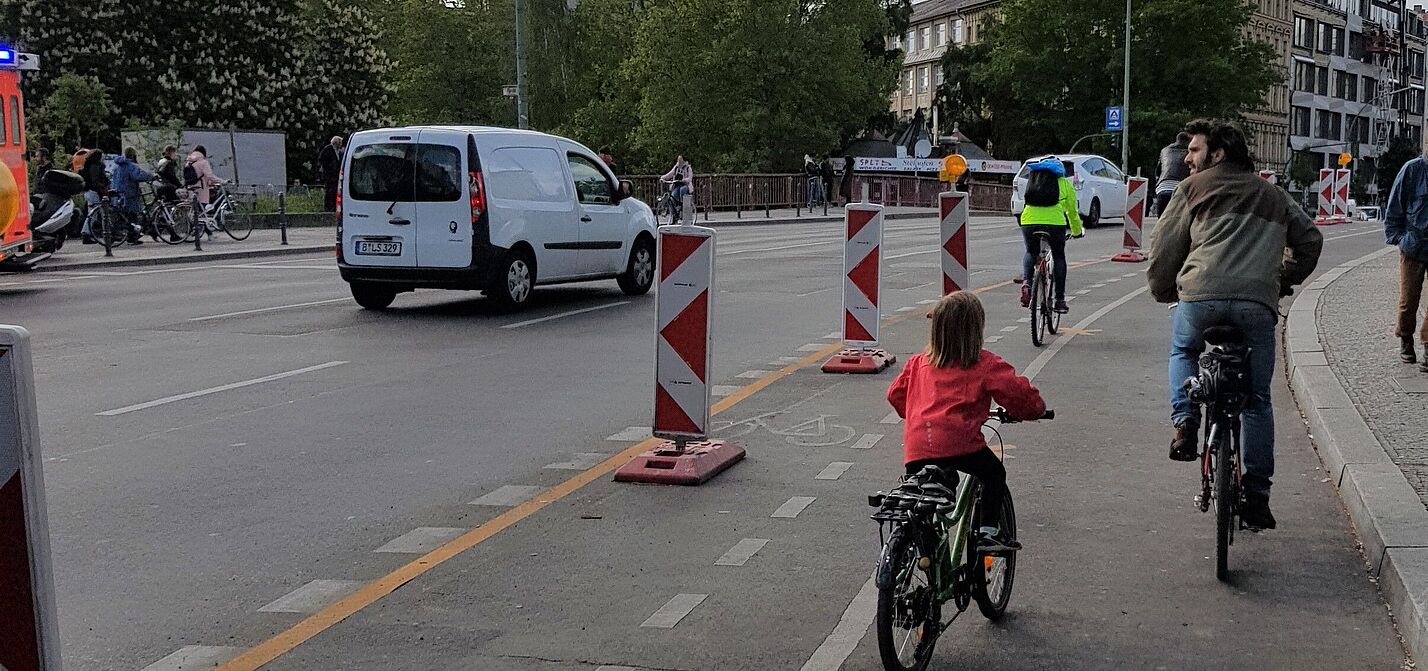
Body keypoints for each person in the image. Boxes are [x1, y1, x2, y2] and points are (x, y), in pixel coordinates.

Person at [1147, 119, 1323, 530]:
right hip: (1256, 305)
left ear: (1218, 154)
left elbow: (1163, 251)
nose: (1188, 159)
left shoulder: (1192, 190)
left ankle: (1185, 421)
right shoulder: (1273, 195)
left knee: (1184, 351)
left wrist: (1166, 291)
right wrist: (1282, 279)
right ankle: (1258, 497)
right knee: (1257, 399)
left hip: (1200, 298)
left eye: (1194, 151)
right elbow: (1311, 240)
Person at [886, 291, 1046, 551]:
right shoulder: (985, 364)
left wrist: (919, 414)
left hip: (917, 447)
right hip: (961, 446)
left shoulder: (917, 363)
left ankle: (921, 552)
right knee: (994, 474)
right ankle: (987, 531)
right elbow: (1018, 395)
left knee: (921, 500)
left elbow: (896, 396)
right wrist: (1036, 410)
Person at [1018, 156, 1084, 313]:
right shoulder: (1065, 184)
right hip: (1055, 224)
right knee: (1059, 256)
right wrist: (1076, 231)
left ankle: (1027, 282)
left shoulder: (1033, 182)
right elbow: (1072, 212)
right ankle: (1059, 300)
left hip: (1029, 221)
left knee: (1031, 252)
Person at [1382, 153, 1428, 371]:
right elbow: (1394, 206)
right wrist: (1399, 239)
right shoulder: (1412, 169)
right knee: (1409, 299)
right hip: (1414, 246)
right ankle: (1405, 337)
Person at [109, 147, 155, 244]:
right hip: (129, 193)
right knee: (132, 216)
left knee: (122, 215)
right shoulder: (130, 165)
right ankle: (131, 237)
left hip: (118, 193)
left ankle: (118, 235)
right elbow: (139, 175)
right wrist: (152, 176)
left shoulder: (117, 165)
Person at [185, 145, 226, 225]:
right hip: (201, 188)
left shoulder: (189, 162)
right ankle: (207, 232)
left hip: (190, 188)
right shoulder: (203, 162)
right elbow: (209, 176)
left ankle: (200, 231)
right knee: (202, 212)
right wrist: (222, 181)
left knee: (197, 211)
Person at [1153, 132, 1191, 216]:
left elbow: (1158, 171)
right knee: (1179, 222)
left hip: (1162, 189)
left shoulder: (1165, 150)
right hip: (1179, 189)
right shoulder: (1190, 152)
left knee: (1162, 222)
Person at [78, 149, 108, 244]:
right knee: (94, 214)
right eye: (102, 156)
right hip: (94, 192)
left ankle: (88, 233)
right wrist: (102, 186)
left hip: (89, 192)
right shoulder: (95, 166)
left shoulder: (89, 165)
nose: (104, 157)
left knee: (94, 213)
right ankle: (86, 233)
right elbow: (95, 181)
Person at [318, 135, 344, 212]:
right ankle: (328, 207)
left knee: (334, 191)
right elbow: (322, 159)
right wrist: (329, 168)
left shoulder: (337, 151)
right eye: (340, 142)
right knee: (329, 191)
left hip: (335, 175)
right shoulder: (328, 149)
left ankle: (333, 207)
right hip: (330, 175)